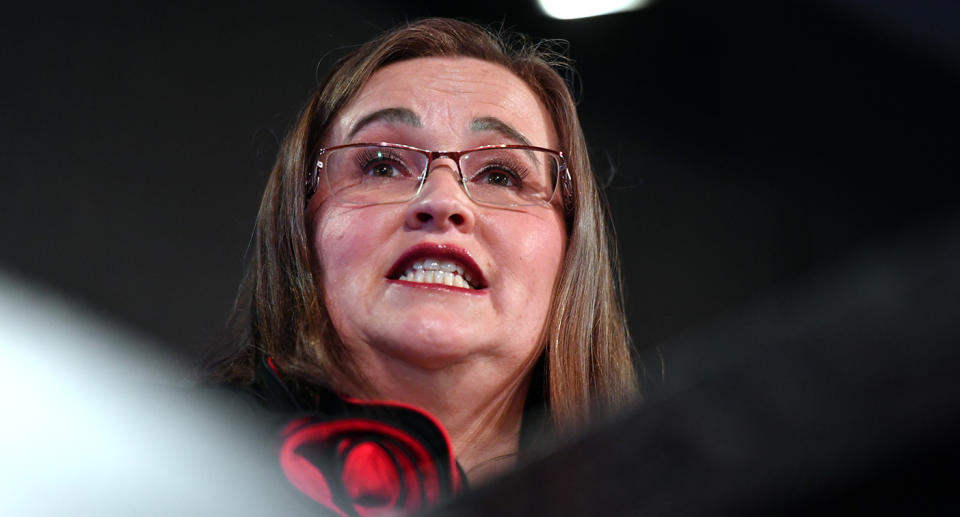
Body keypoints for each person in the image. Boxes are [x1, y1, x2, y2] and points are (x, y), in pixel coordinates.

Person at [207, 17, 638, 515]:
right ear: (299, 226)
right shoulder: (152, 462)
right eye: (382, 165)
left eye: (500, 174)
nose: (442, 200)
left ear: (570, 253)